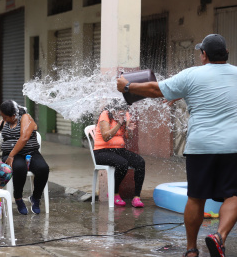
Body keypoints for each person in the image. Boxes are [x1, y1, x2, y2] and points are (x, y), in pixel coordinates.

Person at [117, 34, 237, 257]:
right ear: (226, 54)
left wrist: (128, 86)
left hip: (201, 146)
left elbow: (154, 90)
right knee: (234, 195)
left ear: (203, 55)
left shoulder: (191, 75)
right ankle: (219, 237)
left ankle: (191, 250)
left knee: (196, 197)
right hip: (233, 146)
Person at [0, 100, 49, 215]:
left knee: (43, 169)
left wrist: (11, 155)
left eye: (5, 117)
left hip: (29, 152)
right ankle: (18, 198)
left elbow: (24, 137)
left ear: (13, 115)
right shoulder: (6, 121)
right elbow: (2, 138)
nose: (3, 119)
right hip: (10, 154)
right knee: (20, 168)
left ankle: (36, 198)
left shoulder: (25, 117)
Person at [93, 99, 145, 208]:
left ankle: (136, 197)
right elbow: (106, 137)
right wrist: (119, 124)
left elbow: (128, 137)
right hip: (101, 151)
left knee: (140, 162)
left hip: (119, 151)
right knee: (122, 163)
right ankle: (114, 193)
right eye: (119, 113)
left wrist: (129, 129)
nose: (121, 115)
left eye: (123, 112)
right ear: (113, 110)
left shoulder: (126, 115)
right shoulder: (105, 115)